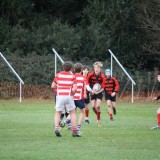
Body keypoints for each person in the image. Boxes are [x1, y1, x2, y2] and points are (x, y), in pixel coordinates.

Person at [51, 61, 80, 137]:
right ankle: (74, 131)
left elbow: (53, 86)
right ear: (71, 68)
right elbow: (75, 89)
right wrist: (72, 94)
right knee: (72, 113)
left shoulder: (58, 75)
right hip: (69, 96)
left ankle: (56, 128)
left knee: (58, 112)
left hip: (60, 96)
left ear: (63, 67)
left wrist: (58, 89)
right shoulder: (73, 76)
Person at [86, 61, 105, 126]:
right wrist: (91, 91)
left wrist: (98, 92)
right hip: (92, 91)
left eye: (98, 68)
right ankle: (98, 115)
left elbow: (103, 88)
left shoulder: (102, 76)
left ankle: (98, 120)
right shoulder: (90, 75)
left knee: (98, 106)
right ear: (94, 68)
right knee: (93, 107)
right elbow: (87, 83)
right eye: (95, 67)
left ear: (100, 69)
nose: (96, 69)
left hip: (99, 92)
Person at [73, 63, 86, 134]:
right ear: (81, 70)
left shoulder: (72, 76)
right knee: (82, 111)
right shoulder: (83, 78)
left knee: (73, 113)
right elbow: (85, 87)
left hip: (72, 97)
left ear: (74, 70)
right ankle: (78, 128)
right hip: (80, 98)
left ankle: (69, 123)